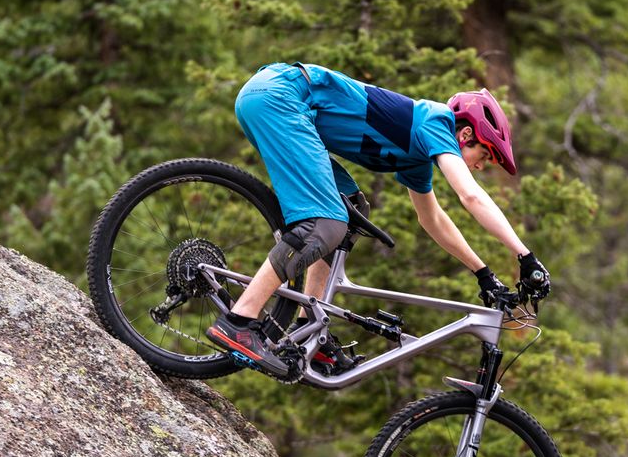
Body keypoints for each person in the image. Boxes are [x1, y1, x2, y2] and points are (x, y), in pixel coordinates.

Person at [206, 62, 551, 377]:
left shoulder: (417, 154)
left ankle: (306, 328)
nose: (479, 166)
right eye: (484, 156)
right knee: (324, 224)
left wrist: (483, 274)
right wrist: (525, 256)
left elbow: (432, 219)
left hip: (277, 99)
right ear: (465, 136)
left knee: (351, 210)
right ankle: (240, 319)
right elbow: (470, 195)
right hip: (280, 96)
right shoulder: (436, 121)